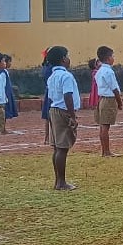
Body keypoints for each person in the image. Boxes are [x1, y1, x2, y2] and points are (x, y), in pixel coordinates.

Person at [45, 46, 79, 191]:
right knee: (62, 148)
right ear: (63, 59)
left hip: (54, 109)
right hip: (63, 111)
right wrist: (72, 116)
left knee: (57, 147)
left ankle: (58, 180)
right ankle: (61, 182)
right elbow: (67, 95)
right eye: (68, 56)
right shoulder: (66, 76)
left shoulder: (52, 76)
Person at [94, 46, 123, 157]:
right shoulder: (108, 71)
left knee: (103, 126)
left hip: (102, 98)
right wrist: (120, 102)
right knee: (105, 127)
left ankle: (104, 151)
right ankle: (106, 151)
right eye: (112, 56)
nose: (113, 58)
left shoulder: (99, 71)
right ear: (108, 58)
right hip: (109, 99)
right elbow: (114, 89)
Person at [40, 49, 54, 145]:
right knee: (52, 115)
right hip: (52, 92)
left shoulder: (45, 66)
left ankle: (47, 138)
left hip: (48, 92)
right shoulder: (51, 68)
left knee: (47, 117)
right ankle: (51, 137)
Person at [2, 54, 19, 124]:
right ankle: (2, 128)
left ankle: (4, 127)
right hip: (5, 94)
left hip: (8, 93)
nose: (10, 64)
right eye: (9, 62)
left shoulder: (5, 72)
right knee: (4, 111)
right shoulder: (2, 73)